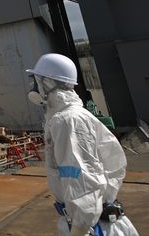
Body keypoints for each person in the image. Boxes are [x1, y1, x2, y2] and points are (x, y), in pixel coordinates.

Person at [26, 53, 138, 236]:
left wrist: (81, 228)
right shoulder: (64, 118)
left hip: (93, 226)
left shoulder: (68, 120)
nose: (33, 86)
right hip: (87, 221)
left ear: (48, 83)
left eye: (36, 80)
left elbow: (82, 178)